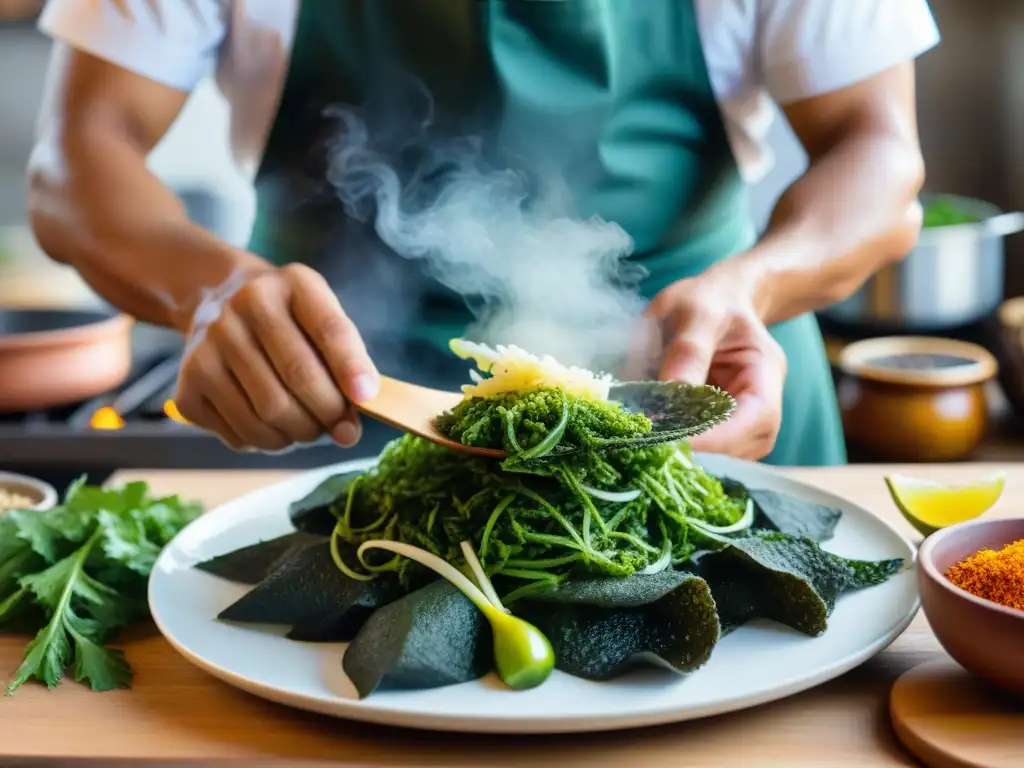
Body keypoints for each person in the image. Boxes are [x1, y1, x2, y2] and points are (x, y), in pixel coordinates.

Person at [27, 0, 939, 466]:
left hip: (695, 398)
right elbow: (76, 163)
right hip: (344, 404)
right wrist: (210, 290)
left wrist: (757, 287)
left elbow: (880, 153)